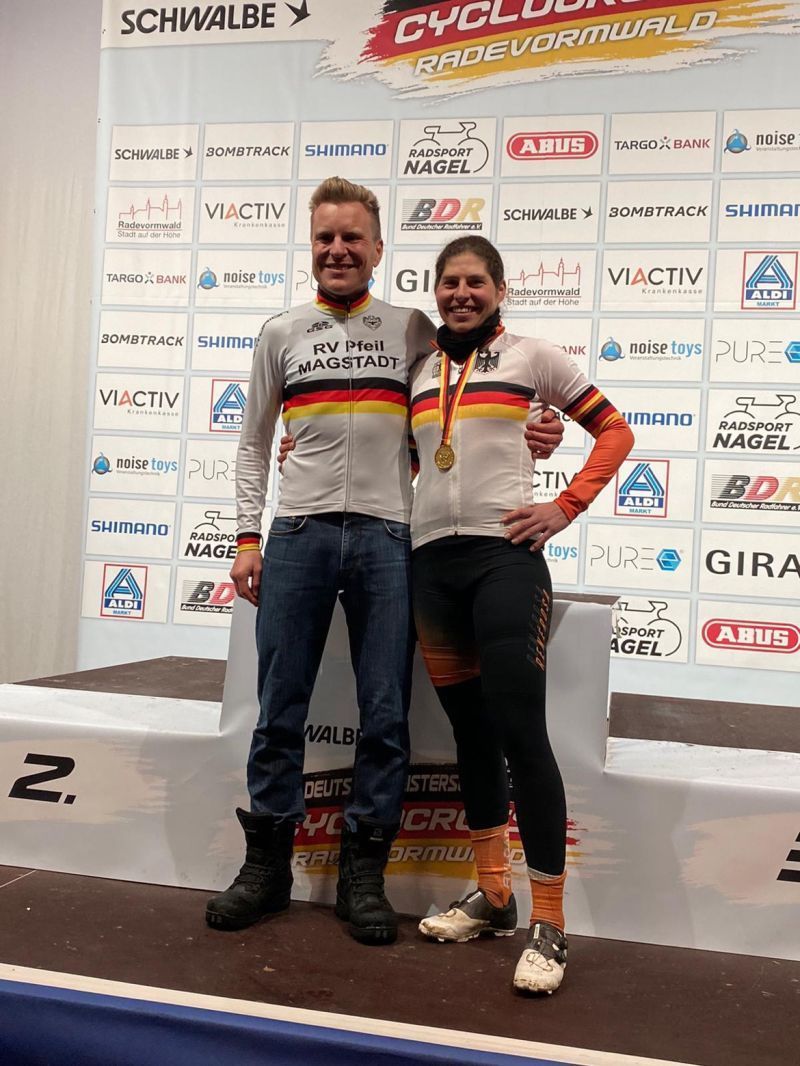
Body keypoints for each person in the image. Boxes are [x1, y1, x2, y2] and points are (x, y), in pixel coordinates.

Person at [205, 178, 564, 946]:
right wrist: (245, 538)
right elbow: (253, 444)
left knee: (385, 715)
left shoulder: (413, 328)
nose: (337, 250)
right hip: (298, 534)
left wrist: (538, 428)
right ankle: (266, 870)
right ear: (311, 246)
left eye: (352, 238)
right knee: (280, 710)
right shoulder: (281, 332)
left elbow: (468, 400)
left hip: (389, 537)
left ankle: (362, 877)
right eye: (324, 238)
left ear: (376, 248)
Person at [409, 236, 634, 993]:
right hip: (431, 567)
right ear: (436, 291)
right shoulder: (420, 369)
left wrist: (565, 506)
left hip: (503, 561)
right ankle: (494, 897)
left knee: (519, 734)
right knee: (470, 736)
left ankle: (551, 924)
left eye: (475, 281)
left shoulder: (533, 358)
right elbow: (410, 459)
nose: (461, 293)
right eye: (449, 282)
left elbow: (616, 430)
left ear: (500, 290)